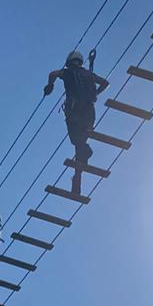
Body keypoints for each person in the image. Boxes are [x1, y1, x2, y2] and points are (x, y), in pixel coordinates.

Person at [43, 47, 108, 195]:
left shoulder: (67, 72)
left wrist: (50, 85)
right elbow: (105, 82)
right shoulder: (88, 74)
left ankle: (83, 157)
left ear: (68, 63)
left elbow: (53, 74)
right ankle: (80, 169)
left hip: (74, 111)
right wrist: (95, 93)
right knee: (81, 140)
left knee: (76, 141)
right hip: (89, 111)